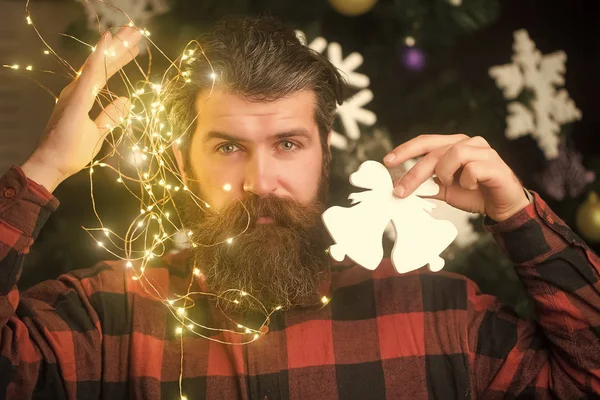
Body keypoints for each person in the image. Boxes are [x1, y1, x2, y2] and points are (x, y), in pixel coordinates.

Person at [1, 16, 599, 400]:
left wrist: (517, 215)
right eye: (228, 147)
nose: (262, 181)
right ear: (185, 165)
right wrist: (43, 171)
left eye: (288, 144)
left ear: (324, 155)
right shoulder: (107, 321)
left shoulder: (438, 318)